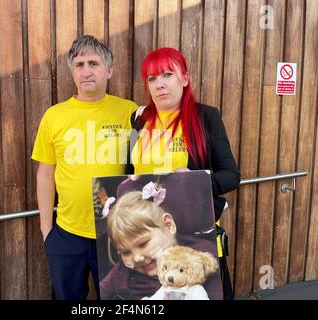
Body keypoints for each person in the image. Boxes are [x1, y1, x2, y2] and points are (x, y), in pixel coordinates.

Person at [127, 47, 241, 299]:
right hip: (147, 238)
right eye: (152, 78)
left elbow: (231, 175)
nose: (159, 84)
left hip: (193, 236)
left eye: (168, 74)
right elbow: (129, 174)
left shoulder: (206, 117)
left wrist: (195, 180)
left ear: (185, 79)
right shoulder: (139, 119)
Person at [31, 35, 138, 300]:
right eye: (79, 64)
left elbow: (142, 166)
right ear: (73, 71)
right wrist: (47, 230)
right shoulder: (54, 116)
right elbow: (45, 173)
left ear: (109, 70)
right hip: (67, 233)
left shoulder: (130, 112)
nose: (86, 70)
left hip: (116, 233)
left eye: (94, 63)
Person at [100, 183, 221, 300]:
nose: (137, 258)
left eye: (143, 243)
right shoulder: (121, 273)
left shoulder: (199, 257)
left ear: (168, 225)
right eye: (125, 252)